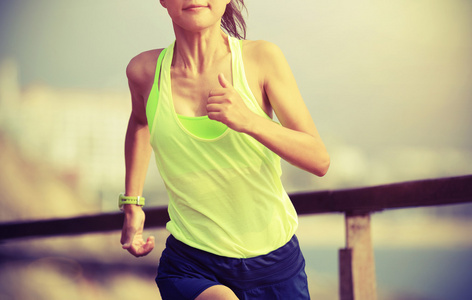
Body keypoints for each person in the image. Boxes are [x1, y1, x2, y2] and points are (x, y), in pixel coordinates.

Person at [120, 0, 330, 299]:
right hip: (191, 262)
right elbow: (140, 123)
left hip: (274, 265)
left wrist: (250, 121)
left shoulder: (261, 59)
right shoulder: (144, 72)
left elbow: (319, 159)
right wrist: (132, 204)